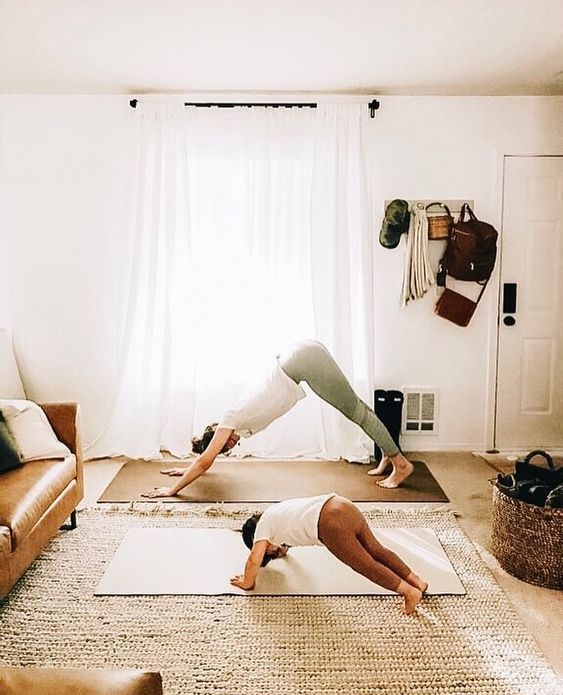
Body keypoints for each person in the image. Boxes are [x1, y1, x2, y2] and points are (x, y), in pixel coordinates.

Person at [141, 340, 414, 499]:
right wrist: (185, 468)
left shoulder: (230, 418)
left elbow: (205, 461)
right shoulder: (234, 418)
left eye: (227, 445)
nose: (233, 444)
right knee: (358, 408)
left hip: (303, 361)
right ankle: (389, 455)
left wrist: (173, 490)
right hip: (300, 355)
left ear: (218, 434)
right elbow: (205, 458)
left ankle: (400, 464)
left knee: (356, 411)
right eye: (230, 448)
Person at [230, 493, 428, 615]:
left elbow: (253, 560)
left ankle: (409, 592)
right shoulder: (274, 512)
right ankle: (416, 580)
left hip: (330, 524)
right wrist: (281, 550)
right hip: (340, 504)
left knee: (365, 564)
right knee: (377, 550)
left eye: (267, 550)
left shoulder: (263, 529)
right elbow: (291, 533)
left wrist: (248, 582)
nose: (271, 552)